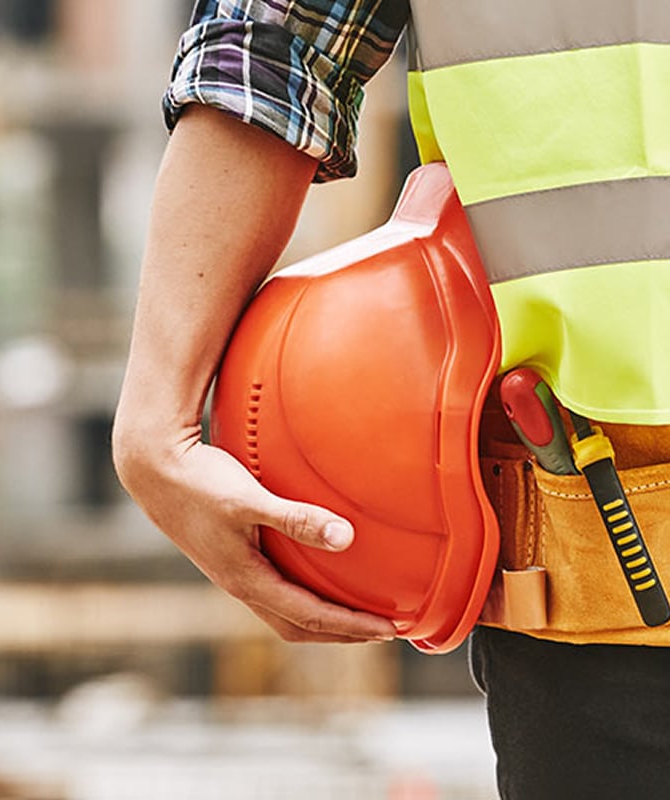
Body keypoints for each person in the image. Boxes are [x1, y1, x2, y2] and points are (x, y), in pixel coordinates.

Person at [113, 3, 670, 797]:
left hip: (604, 608)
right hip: (599, 598)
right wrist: (155, 421)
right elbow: (277, 46)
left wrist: (158, 418)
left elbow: (277, 44)